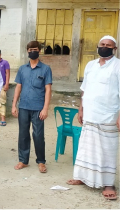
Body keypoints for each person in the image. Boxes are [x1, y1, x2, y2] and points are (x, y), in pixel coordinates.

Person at [66, 35, 120, 200]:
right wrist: (81, 109)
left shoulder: (118, 66)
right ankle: (83, 177)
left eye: (108, 45)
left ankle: (109, 183)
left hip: (109, 115)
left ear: (115, 49)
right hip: (90, 113)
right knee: (87, 147)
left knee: (107, 149)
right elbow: (84, 89)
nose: (104, 47)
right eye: (102, 44)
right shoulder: (90, 65)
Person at [12, 41, 52, 173]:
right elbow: (18, 87)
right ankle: (23, 160)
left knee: (38, 135)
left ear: (39, 51)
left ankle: (41, 161)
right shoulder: (22, 69)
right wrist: (14, 105)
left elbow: (48, 89)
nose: (32, 51)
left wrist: (45, 108)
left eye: (34, 49)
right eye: (30, 49)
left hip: (38, 107)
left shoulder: (46, 69)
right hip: (24, 106)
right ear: (27, 51)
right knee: (23, 134)